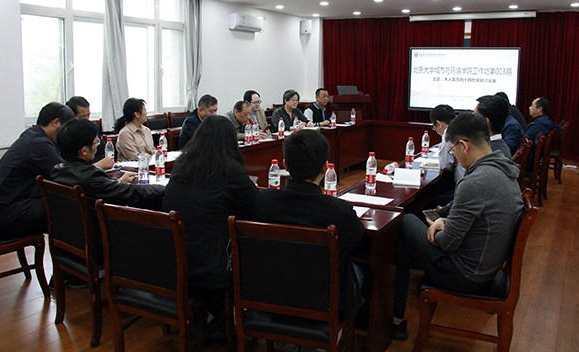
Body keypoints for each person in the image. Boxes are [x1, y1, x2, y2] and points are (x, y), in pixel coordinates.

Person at [391, 113, 523, 340]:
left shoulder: (475, 182)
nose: (454, 155)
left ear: (464, 145)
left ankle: (393, 315)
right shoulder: (504, 168)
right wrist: (444, 220)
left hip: (466, 275)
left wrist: (436, 228)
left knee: (405, 219)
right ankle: (395, 316)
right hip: (487, 264)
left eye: (452, 150)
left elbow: (447, 243)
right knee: (407, 241)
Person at [255, 130, 364, 319]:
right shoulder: (339, 211)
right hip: (322, 299)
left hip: (269, 293)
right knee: (357, 270)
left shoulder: (262, 202)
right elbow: (356, 239)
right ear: (325, 167)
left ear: (285, 165)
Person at [163, 115, 258, 293]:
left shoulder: (182, 164)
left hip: (174, 263)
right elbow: (254, 205)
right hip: (213, 269)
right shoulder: (230, 169)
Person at [0, 102, 75, 237]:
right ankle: (73, 248)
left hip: (1, 211)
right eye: (66, 129)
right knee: (71, 205)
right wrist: (97, 167)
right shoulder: (38, 144)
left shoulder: (32, 135)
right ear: (56, 122)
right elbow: (67, 175)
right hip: (7, 214)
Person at [52, 118, 165, 210]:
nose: (97, 145)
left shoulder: (57, 171)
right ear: (84, 151)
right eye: (96, 142)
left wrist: (118, 183)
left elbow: (103, 189)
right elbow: (133, 192)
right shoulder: (92, 177)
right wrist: (164, 188)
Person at [65, 96, 113, 170]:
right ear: (72, 117)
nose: (87, 119)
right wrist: (97, 166)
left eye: (88, 115)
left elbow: (102, 152)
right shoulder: (67, 135)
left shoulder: (91, 130)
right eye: (83, 116)